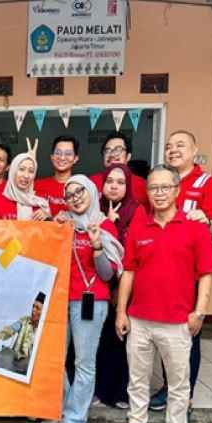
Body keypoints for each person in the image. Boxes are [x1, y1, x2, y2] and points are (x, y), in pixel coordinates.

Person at [115, 165, 212, 423]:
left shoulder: (195, 228)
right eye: (153, 188)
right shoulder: (139, 227)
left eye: (165, 187)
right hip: (140, 319)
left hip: (177, 322)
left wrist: (200, 312)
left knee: (178, 382)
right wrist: (121, 312)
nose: (158, 193)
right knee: (138, 378)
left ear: (176, 190)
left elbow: (206, 273)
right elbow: (128, 271)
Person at [150, 130, 212, 412]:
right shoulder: (161, 183)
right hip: (160, 273)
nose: (173, 150)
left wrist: (206, 220)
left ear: (195, 151)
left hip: (191, 275)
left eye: (180, 145)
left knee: (188, 335)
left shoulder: (208, 184)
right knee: (163, 333)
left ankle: (185, 396)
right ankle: (168, 388)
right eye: (169, 146)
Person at [41, 175, 123, 423]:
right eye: (70, 195)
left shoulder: (104, 225)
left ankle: (76, 417)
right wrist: (53, 227)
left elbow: (108, 274)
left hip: (91, 301)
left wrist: (97, 245)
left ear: (91, 192)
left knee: (83, 362)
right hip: (60, 298)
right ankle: (61, 407)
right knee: (56, 358)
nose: (75, 198)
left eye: (80, 192)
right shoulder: (63, 224)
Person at [94, 162, 145, 409]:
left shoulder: (136, 211)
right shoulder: (95, 208)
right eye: (109, 182)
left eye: (120, 182)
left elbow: (134, 252)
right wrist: (106, 222)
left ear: (128, 186)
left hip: (126, 285)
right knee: (101, 340)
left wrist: (119, 287)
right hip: (98, 286)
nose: (114, 187)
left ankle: (121, 392)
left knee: (122, 339)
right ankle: (100, 390)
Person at [89, 132, 149, 207]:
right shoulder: (91, 182)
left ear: (128, 156)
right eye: (107, 150)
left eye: (118, 149)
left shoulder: (142, 185)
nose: (112, 154)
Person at [0, 149, 51, 221]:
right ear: (13, 171)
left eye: (31, 171)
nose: (26, 175)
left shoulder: (40, 203)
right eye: (21, 169)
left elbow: (50, 227)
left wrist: (47, 216)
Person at [0, 292, 46, 363]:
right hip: (16, 363)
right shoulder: (24, 321)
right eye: (33, 306)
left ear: (44, 311)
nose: (33, 310)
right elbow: (8, 330)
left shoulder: (45, 330)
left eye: (37, 308)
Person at [36, 135, 80, 217]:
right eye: (58, 153)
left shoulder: (81, 188)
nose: (62, 158)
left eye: (68, 154)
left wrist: (50, 217)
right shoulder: (37, 185)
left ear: (75, 159)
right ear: (52, 157)